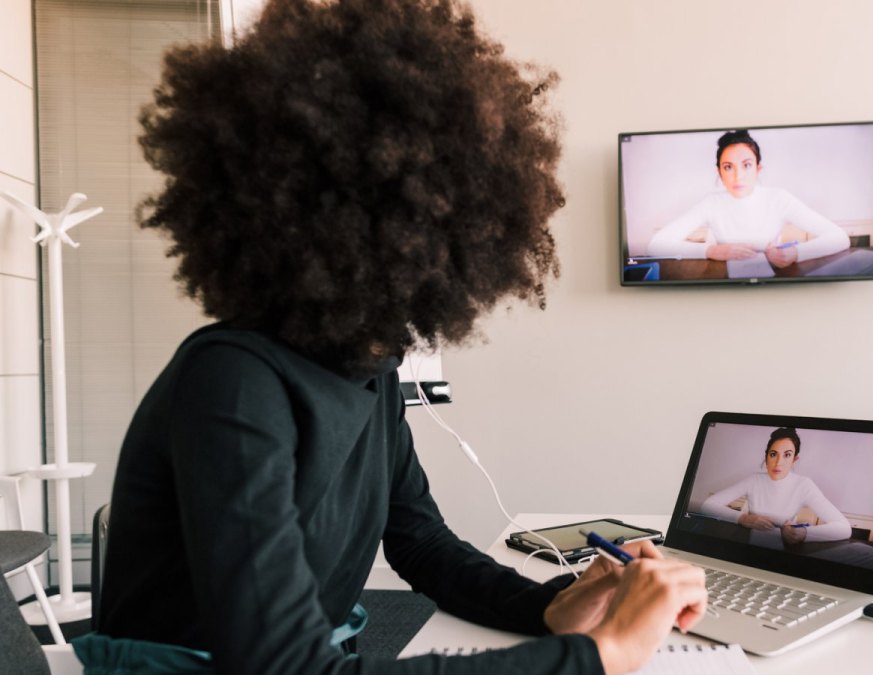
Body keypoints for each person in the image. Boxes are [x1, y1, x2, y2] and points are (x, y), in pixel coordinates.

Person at [77, 0, 707, 673]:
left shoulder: (369, 371)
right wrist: (600, 655)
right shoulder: (233, 380)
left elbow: (421, 541)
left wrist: (548, 607)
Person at [645, 130, 850, 267]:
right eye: (728, 167)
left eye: (746, 165)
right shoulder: (712, 203)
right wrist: (712, 251)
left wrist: (795, 254)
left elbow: (839, 237)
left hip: (771, 284)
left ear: (758, 169)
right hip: (723, 285)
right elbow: (656, 245)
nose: (738, 176)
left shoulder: (779, 199)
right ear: (719, 172)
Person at [698, 428, 851, 547]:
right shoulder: (754, 480)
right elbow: (707, 505)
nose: (778, 463)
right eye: (773, 454)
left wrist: (804, 533)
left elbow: (844, 528)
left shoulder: (804, 485)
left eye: (787, 455)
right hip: (747, 549)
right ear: (766, 457)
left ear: (794, 460)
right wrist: (743, 518)